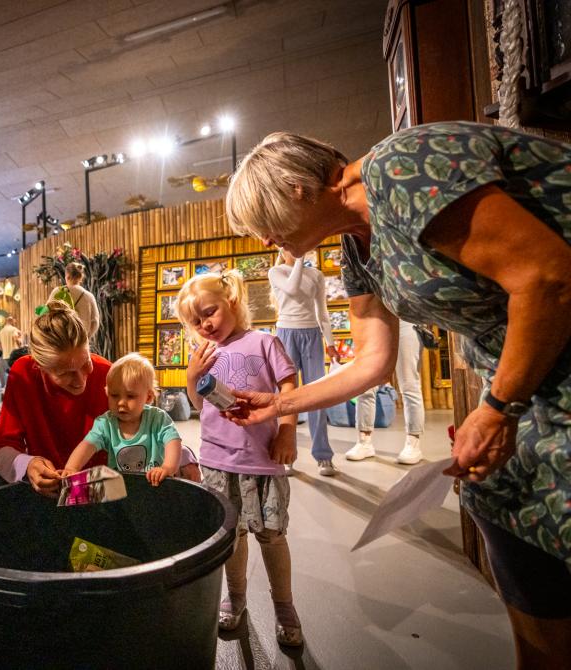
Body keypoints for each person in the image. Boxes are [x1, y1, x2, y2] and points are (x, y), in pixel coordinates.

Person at [225, 122, 571, 668]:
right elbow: (372, 362)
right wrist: (279, 404)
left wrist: (500, 406)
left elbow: (548, 276)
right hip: (530, 384)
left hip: (546, 376)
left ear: (295, 188)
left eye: (263, 223)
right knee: (503, 504)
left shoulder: (401, 168)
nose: (266, 241)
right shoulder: (354, 249)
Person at [175, 270, 303, 646]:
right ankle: (235, 599)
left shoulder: (264, 342)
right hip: (217, 461)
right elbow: (202, 406)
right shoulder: (203, 353)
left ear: (232, 299)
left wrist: (288, 430)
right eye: (195, 321)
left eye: (209, 312)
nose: (205, 325)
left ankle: (284, 606)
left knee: (272, 536)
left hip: (261, 460)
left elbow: (290, 388)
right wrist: (191, 376)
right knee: (232, 537)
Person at [0, 301, 200, 496]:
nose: (80, 380)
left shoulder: (107, 374)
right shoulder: (23, 375)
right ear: (39, 366)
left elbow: (146, 426)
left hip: (107, 488)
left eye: (85, 363)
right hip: (54, 490)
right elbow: (3, 446)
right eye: (65, 373)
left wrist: (183, 458)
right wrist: (28, 465)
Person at [268, 248, 339, 476]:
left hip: (311, 334)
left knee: (316, 395)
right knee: (288, 396)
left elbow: (322, 310)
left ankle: (323, 455)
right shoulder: (276, 271)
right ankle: (286, 454)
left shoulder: (316, 275)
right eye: (290, 246)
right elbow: (291, 287)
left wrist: (330, 343)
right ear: (282, 248)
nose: (297, 249)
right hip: (286, 333)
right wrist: (299, 257)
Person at [63, 352, 183, 486]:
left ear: (148, 397)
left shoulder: (158, 419)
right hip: (121, 488)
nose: (121, 402)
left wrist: (167, 467)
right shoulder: (105, 423)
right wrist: (71, 468)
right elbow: (87, 445)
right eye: (114, 395)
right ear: (107, 393)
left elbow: (173, 441)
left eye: (130, 396)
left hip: (155, 484)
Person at [345, 319, 425, 464]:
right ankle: (364, 441)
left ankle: (413, 443)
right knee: (365, 386)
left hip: (406, 322)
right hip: (375, 325)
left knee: (409, 386)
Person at [49, 262, 100, 339]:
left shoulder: (57, 292)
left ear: (67, 276)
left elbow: (46, 314)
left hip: (60, 341)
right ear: (81, 277)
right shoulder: (89, 296)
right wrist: (86, 337)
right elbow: (95, 322)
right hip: (81, 341)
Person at [0, 315, 22, 387]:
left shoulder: (1, 331)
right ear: (11, 321)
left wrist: (3, 350)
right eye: (14, 321)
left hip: (5, 356)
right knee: (16, 372)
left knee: (9, 372)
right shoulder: (14, 329)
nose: (15, 322)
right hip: (15, 355)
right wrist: (20, 345)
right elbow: (16, 337)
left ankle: (9, 388)